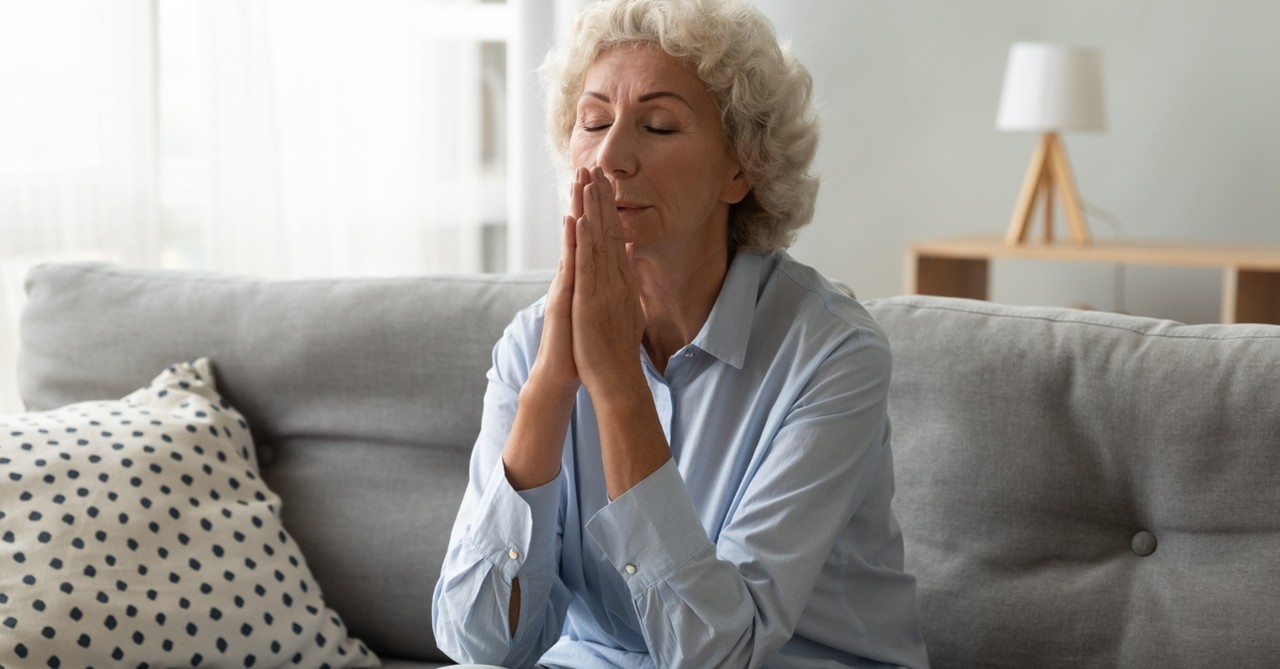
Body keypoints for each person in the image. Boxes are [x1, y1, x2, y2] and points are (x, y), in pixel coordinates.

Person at [432, 0, 929, 667]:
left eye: (659, 125)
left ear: (740, 168)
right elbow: (477, 642)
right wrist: (550, 387)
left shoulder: (832, 356)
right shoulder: (532, 345)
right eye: (594, 121)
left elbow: (716, 653)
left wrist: (616, 388)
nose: (610, 155)